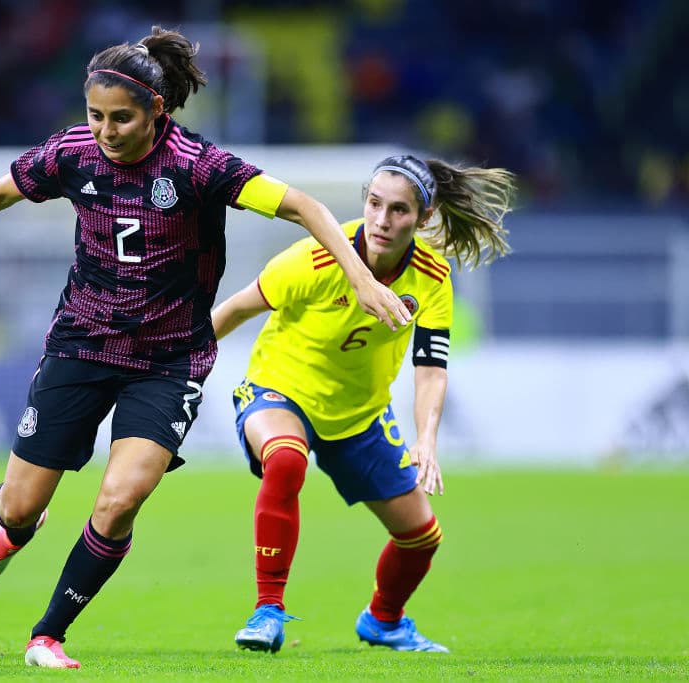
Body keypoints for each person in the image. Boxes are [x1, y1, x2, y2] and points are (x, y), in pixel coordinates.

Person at [0, 26, 410, 670]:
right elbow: (1, 190)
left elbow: (301, 205)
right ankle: (17, 530)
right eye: (96, 115)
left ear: (157, 111)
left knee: (121, 496)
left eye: (122, 118)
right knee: (22, 505)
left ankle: (47, 635)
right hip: (83, 341)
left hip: (168, 361)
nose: (106, 130)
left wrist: (359, 277)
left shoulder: (199, 167)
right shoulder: (73, 153)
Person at [212, 154, 515, 654]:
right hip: (279, 389)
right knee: (285, 460)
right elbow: (233, 310)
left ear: (423, 218)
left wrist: (427, 440)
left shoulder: (431, 278)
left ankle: (384, 621)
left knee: (421, 537)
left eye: (398, 210)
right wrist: (174, 369)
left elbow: (431, 368)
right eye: (374, 204)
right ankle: (268, 610)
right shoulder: (309, 261)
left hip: (360, 414)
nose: (382, 220)